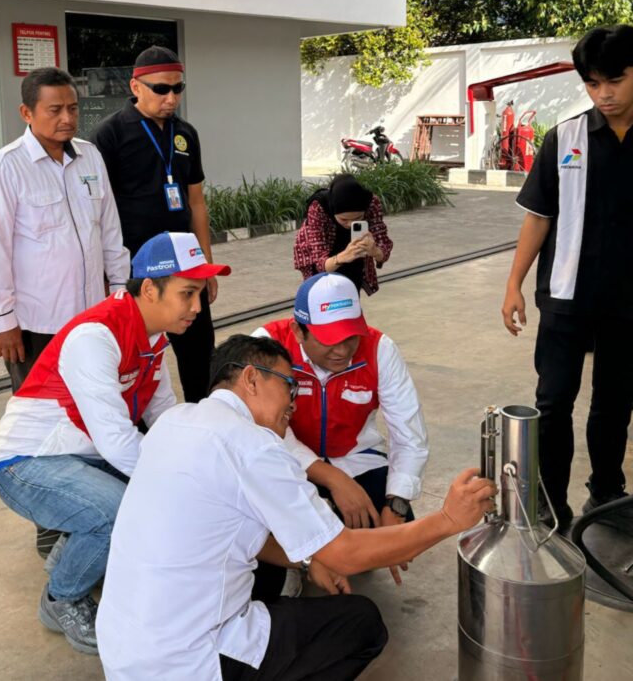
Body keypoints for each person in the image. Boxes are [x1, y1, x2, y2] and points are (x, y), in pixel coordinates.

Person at [96, 335, 496, 680]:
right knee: (362, 623)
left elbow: (231, 535)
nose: (295, 401)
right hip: (189, 661)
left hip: (124, 650)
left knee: (277, 596)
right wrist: (446, 521)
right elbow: (347, 553)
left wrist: (307, 561)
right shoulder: (253, 445)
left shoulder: (173, 422)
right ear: (251, 378)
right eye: (290, 385)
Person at [0, 232, 230, 655]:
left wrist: (198, 457)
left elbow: (162, 416)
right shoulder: (95, 337)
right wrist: (179, 485)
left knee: (146, 495)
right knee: (120, 511)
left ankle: (71, 552)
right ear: (150, 289)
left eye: (198, 294)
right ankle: (61, 597)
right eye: (187, 293)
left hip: (79, 457)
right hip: (26, 464)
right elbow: (118, 441)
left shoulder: (153, 338)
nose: (197, 307)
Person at [0, 66, 130, 556]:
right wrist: (2, 322)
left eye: (73, 108)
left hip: (92, 321)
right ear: (27, 112)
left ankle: (88, 514)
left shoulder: (91, 159)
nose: (67, 118)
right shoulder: (4, 168)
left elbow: (109, 231)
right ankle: (52, 532)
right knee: (44, 433)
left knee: (93, 418)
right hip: (37, 328)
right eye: (54, 110)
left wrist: (122, 295)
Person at [501, 24, 633, 533]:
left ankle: (607, 491)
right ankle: (551, 501)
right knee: (553, 400)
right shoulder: (566, 138)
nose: (605, 94)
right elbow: (538, 217)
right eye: (593, 83)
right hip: (564, 297)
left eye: (616, 80)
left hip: (628, 303)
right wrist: (514, 283)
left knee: (615, 402)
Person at [252, 272, 429, 593]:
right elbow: (263, 430)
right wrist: (334, 480)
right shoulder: (267, 346)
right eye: (328, 339)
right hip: (286, 464)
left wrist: (397, 507)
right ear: (298, 331)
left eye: (351, 336)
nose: (342, 350)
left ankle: (327, 540)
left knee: (393, 532)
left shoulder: (380, 349)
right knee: (262, 544)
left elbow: (409, 435)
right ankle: (306, 552)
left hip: (356, 457)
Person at [92, 45, 216, 403]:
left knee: (199, 359)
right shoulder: (110, 135)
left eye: (178, 88)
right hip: (137, 271)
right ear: (136, 87)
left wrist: (205, 267)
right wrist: (106, 274)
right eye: (162, 89)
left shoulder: (186, 134)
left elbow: (196, 203)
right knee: (136, 361)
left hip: (186, 267)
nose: (172, 97)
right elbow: (100, 212)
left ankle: (204, 425)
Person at [294, 173, 393, 294]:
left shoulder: (371, 203)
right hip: (324, 254)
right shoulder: (318, 207)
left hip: (355, 257)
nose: (350, 224)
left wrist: (375, 251)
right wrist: (342, 257)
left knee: (352, 290)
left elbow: (384, 244)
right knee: (322, 294)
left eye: (358, 218)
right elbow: (320, 263)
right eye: (344, 219)